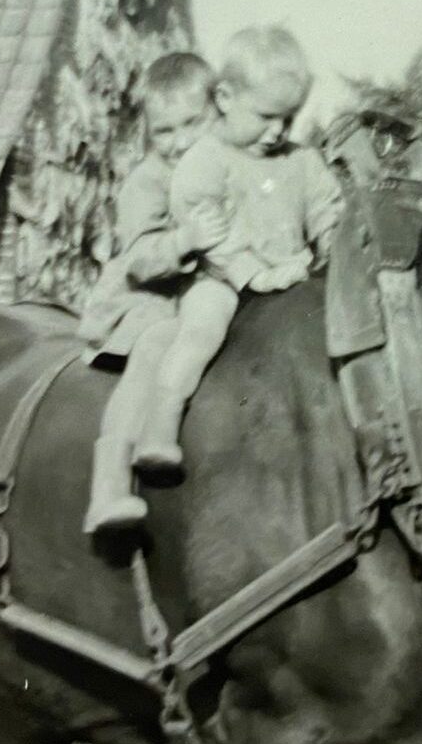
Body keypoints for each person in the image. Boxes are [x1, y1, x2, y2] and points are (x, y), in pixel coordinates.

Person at [131, 25, 344, 474]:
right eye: (266, 116)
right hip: (222, 280)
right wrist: (253, 274)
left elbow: (325, 207)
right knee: (199, 334)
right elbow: (210, 231)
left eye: (289, 118)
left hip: (292, 275)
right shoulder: (205, 159)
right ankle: (161, 421)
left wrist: (332, 241)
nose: (278, 130)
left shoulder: (301, 160)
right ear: (225, 99)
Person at [78, 51, 226, 534]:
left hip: (205, 296)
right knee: (151, 353)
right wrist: (185, 241)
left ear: (218, 113)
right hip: (151, 297)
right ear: (147, 130)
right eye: (164, 130)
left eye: (192, 123)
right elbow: (140, 257)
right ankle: (108, 484)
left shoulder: (224, 164)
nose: (179, 142)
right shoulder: (147, 180)